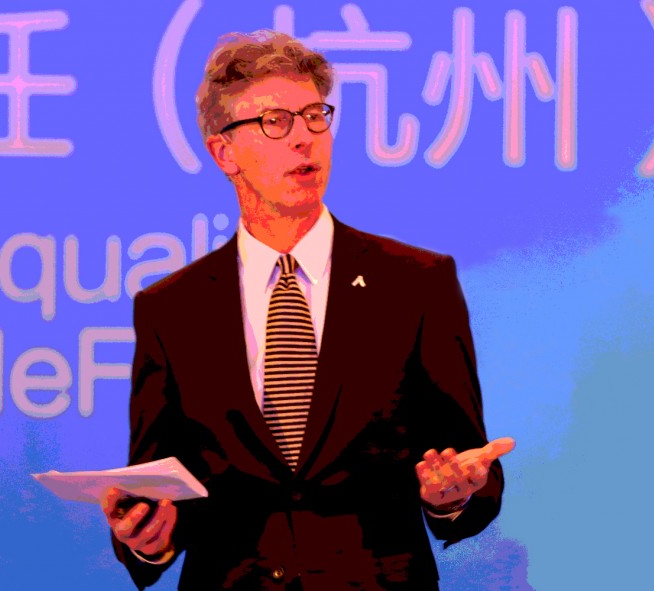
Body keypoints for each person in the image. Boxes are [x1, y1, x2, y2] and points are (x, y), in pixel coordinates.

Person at [101, 29, 513, 591]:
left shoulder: (417, 283)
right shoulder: (171, 308)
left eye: (315, 116)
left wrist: (453, 495)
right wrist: (149, 538)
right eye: (275, 121)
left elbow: (466, 460)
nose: (304, 138)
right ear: (224, 153)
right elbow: (159, 484)